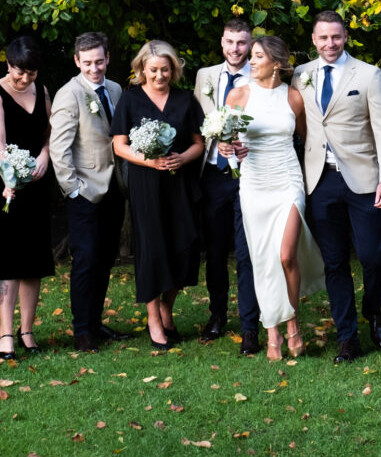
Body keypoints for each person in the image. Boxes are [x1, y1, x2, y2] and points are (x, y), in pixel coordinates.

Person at [293, 10, 381, 363]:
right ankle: (347, 337)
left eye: (336, 37)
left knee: (372, 255)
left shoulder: (368, 74)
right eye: (323, 37)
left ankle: (373, 311)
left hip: (364, 178)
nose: (330, 43)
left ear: (345, 37)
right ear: (314, 39)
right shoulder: (300, 75)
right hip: (319, 181)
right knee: (334, 262)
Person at [219, 36, 326, 361]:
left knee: (286, 255)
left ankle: (292, 323)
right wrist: (228, 150)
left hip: (287, 180)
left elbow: (309, 141)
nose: (251, 62)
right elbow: (226, 142)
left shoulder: (294, 98)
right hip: (254, 183)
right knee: (264, 260)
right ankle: (274, 333)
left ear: (277, 63)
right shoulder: (238, 96)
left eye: (258, 57)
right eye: (251, 56)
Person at [111, 40, 205, 350]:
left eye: (165, 69)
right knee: (152, 249)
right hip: (146, 185)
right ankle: (153, 319)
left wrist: (183, 158)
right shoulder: (130, 100)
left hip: (180, 184)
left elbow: (198, 143)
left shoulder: (185, 100)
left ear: (174, 69)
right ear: (141, 69)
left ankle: (167, 305)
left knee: (183, 246)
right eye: (153, 70)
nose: (159, 75)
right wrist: (148, 159)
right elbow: (119, 145)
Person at [49, 31, 133, 353]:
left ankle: (95, 322)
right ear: (76, 61)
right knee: (85, 260)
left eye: (99, 61)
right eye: (87, 63)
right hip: (85, 192)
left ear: (107, 58)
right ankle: (82, 331)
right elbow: (59, 149)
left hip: (114, 189)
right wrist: (74, 189)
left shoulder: (113, 89)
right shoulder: (68, 95)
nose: (94, 68)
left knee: (105, 258)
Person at [0, 35, 54, 360]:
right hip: (5, 187)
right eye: (19, 72)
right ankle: (5, 332)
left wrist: (45, 157)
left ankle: (27, 330)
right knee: (8, 259)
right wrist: (9, 178)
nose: (25, 79)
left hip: (37, 184)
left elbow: (50, 133)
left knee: (33, 260)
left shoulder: (43, 91)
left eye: (31, 73)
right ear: (7, 65)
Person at [192, 18, 261, 353]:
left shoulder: (262, 76)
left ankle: (250, 325)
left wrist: (249, 147)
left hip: (249, 175)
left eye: (242, 42)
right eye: (230, 42)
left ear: (251, 45)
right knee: (216, 252)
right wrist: (213, 138)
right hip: (212, 175)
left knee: (247, 253)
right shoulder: (205, 77)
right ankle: (217, 314)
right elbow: (196, 122)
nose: (236, 49)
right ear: (222, 43)